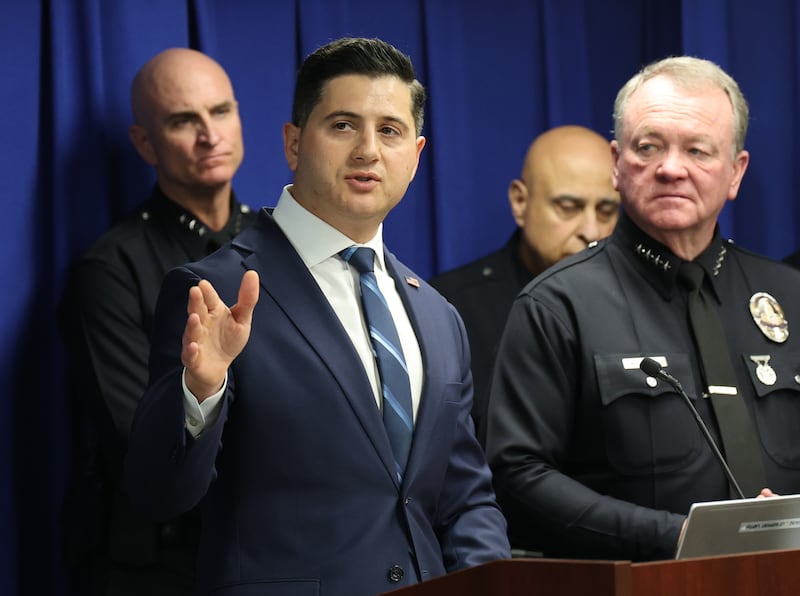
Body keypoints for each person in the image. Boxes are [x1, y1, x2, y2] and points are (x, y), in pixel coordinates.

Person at [121, 37, 510, 596]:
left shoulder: (437, 313)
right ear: (294, 143)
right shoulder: (216, 290)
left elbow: (466, 498)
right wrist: (200, 390)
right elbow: (158, 495)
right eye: (344, 125)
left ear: (417, 155)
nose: (368, 151)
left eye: (391, 131)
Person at [486, 55, 800, 562]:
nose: (671, 168)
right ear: (616, 163)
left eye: (698, 150)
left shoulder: (791, 295)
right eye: (648, 147)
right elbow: (518, 475)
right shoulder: (557, 305)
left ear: (736, 171)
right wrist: (674, 536)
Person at [59, 48, 255, 595]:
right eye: (182, 121)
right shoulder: (110, 269)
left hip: (269, 552)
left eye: (220, 112)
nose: (209, 135)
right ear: (145, 143)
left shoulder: (278, 248)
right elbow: (142, 446)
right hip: (159, 568)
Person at [430, 125, 620, 443]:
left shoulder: (637, 302)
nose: (592, 230)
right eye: (568, 207)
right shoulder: (449, 308)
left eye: (607, 210)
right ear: (520, 202)